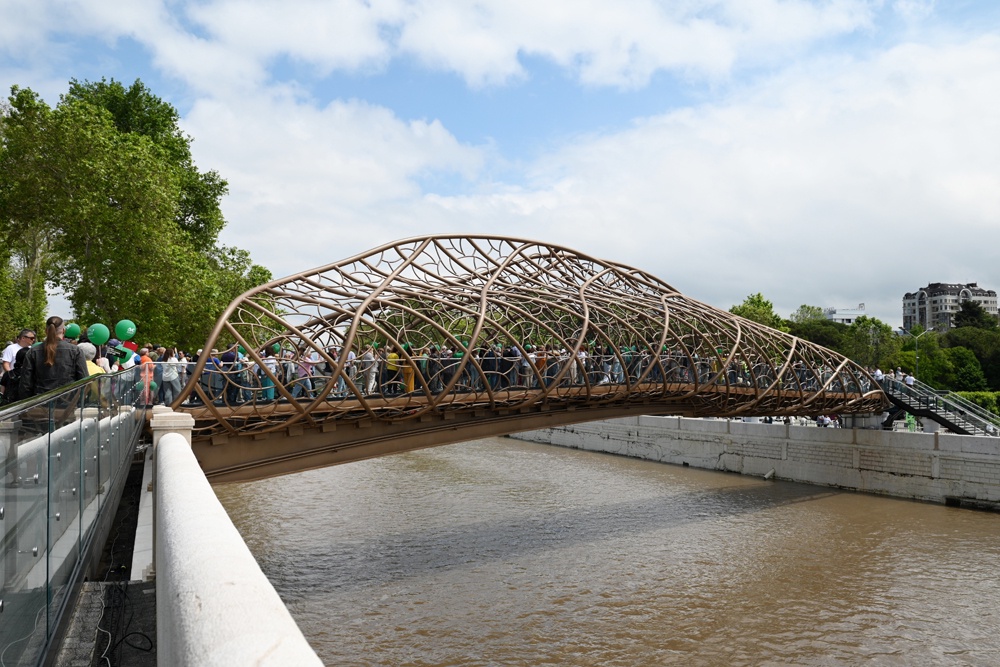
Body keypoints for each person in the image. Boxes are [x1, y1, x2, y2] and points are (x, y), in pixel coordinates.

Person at [19, 316, 88, 398]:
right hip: (67, 402)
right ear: (63, 331)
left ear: (46, 331)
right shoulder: (75, 351)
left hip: (39, 402)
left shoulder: (33, 352)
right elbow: (84, 380)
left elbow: (25, 384)